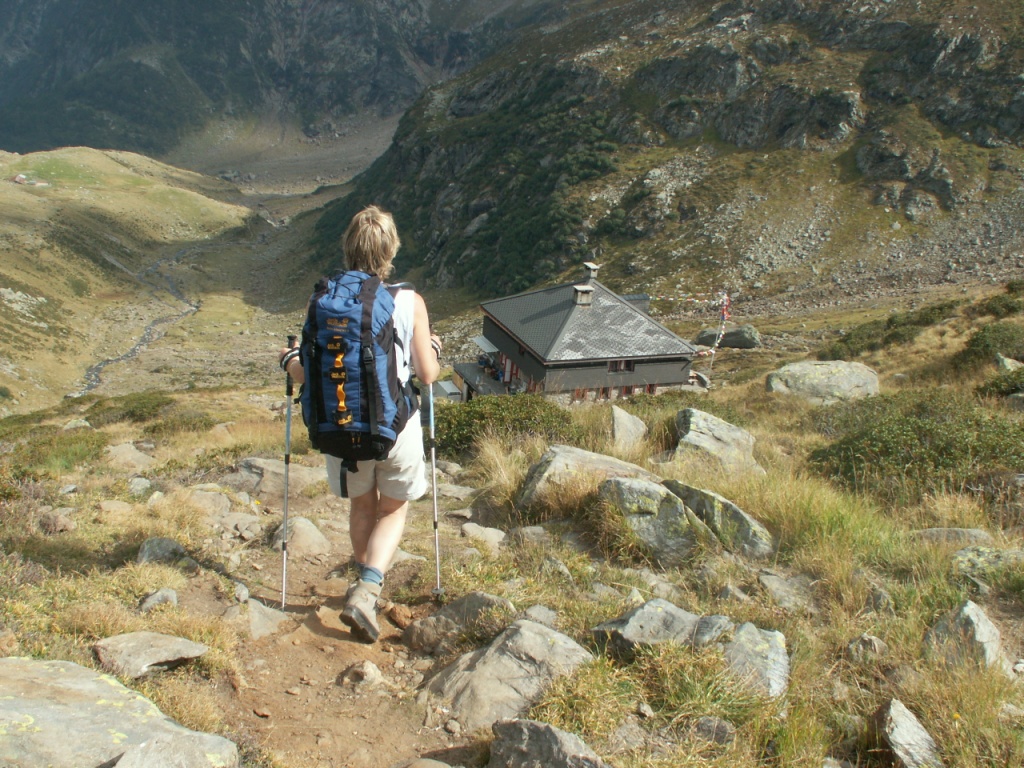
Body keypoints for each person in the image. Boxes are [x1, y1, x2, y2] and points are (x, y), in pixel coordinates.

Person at [279, 205, 441, 643]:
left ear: (348, 246)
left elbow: (307, 372)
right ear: (391, 250)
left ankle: (363, 581)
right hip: (394, 430)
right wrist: (435, 348)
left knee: (361, 506)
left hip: (342, 431)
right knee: (393, 508)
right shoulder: (408, 300)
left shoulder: (322, 300)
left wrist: (290, 360)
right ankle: (368, 589)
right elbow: (427, 375)